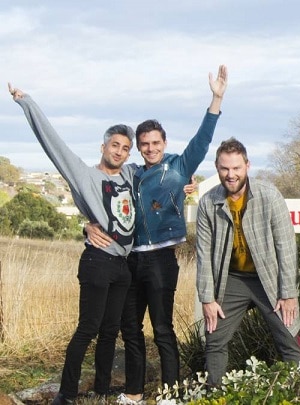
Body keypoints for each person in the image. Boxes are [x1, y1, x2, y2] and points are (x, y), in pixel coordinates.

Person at [85, 65, 228, 403]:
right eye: (144, 144)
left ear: (164, 143)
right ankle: (134, 393)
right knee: (130, 329)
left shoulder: (180, 165)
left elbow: (203, 140)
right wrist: (88, 225)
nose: (150, 148)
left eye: (155, 143)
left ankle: (169, 394)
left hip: (162, 260)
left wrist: (216, 99)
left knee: (163, 329)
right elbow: (100, 193)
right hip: (129, 260)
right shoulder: (131, 172)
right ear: (137, 147)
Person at [8, 83, 136, 405]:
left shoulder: (130, 175)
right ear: (103, 146)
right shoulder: (84, 175)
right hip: (98, 261)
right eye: (115, 145)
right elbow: (53, 143)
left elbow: (160, 165)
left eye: (125, 148)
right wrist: (28, 103)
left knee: (110, 332)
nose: (119, 151)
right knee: (88, 329)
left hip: (122, 266)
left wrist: (187, 180)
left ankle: (102, 391)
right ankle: (65, 394)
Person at [195, 137, 300, 386]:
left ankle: (299, 394)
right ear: (217, 167)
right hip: (232, 280)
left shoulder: (269, 195)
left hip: (269, 280)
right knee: (214, 338)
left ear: (247, 166)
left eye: (236, 168)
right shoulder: (208, 203)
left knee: (288, 338)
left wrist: (288, 293)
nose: (230, 174)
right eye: (224, 168)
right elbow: (203, 254)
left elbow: (286, 246)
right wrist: (208, 299)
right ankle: (216, 398)